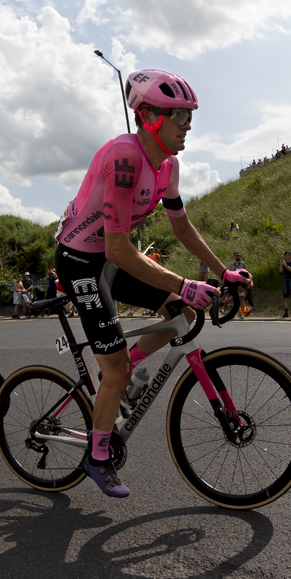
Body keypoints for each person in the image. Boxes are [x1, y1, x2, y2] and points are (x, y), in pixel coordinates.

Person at [54, 68, 250, 498]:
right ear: (149, 118)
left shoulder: (169, 166)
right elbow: (119, 251)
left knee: (180, 313)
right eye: (179, 115)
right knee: (117, 368)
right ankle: (98, 455)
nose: (188, 125)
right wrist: (183, 282)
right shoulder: (123, 159)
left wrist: (222, 272)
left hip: (110, 254)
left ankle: (126, 379)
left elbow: (182, 228)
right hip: (81, 262)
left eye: (189, 115)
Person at [230, 252, 254, 318]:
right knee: (235, 299)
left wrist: (249, 281)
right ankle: (233, 314)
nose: (238, 257)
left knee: (241, 298)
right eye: (237, 255)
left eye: (239, 256)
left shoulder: (243, 264)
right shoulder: (232, 264)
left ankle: (242, 313)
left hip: (241, 283)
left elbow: (247, 274)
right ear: (234, 257)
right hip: (234, 283)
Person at [279, 251, 291, 318]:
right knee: (286, 298)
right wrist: (281, 264)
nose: (287, 256)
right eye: (286, 255)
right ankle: (286, 312)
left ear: (290, 255)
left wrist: (286, 265)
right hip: (286, 281)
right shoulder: (284, 263)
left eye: (288, 254)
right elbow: (280, 271)